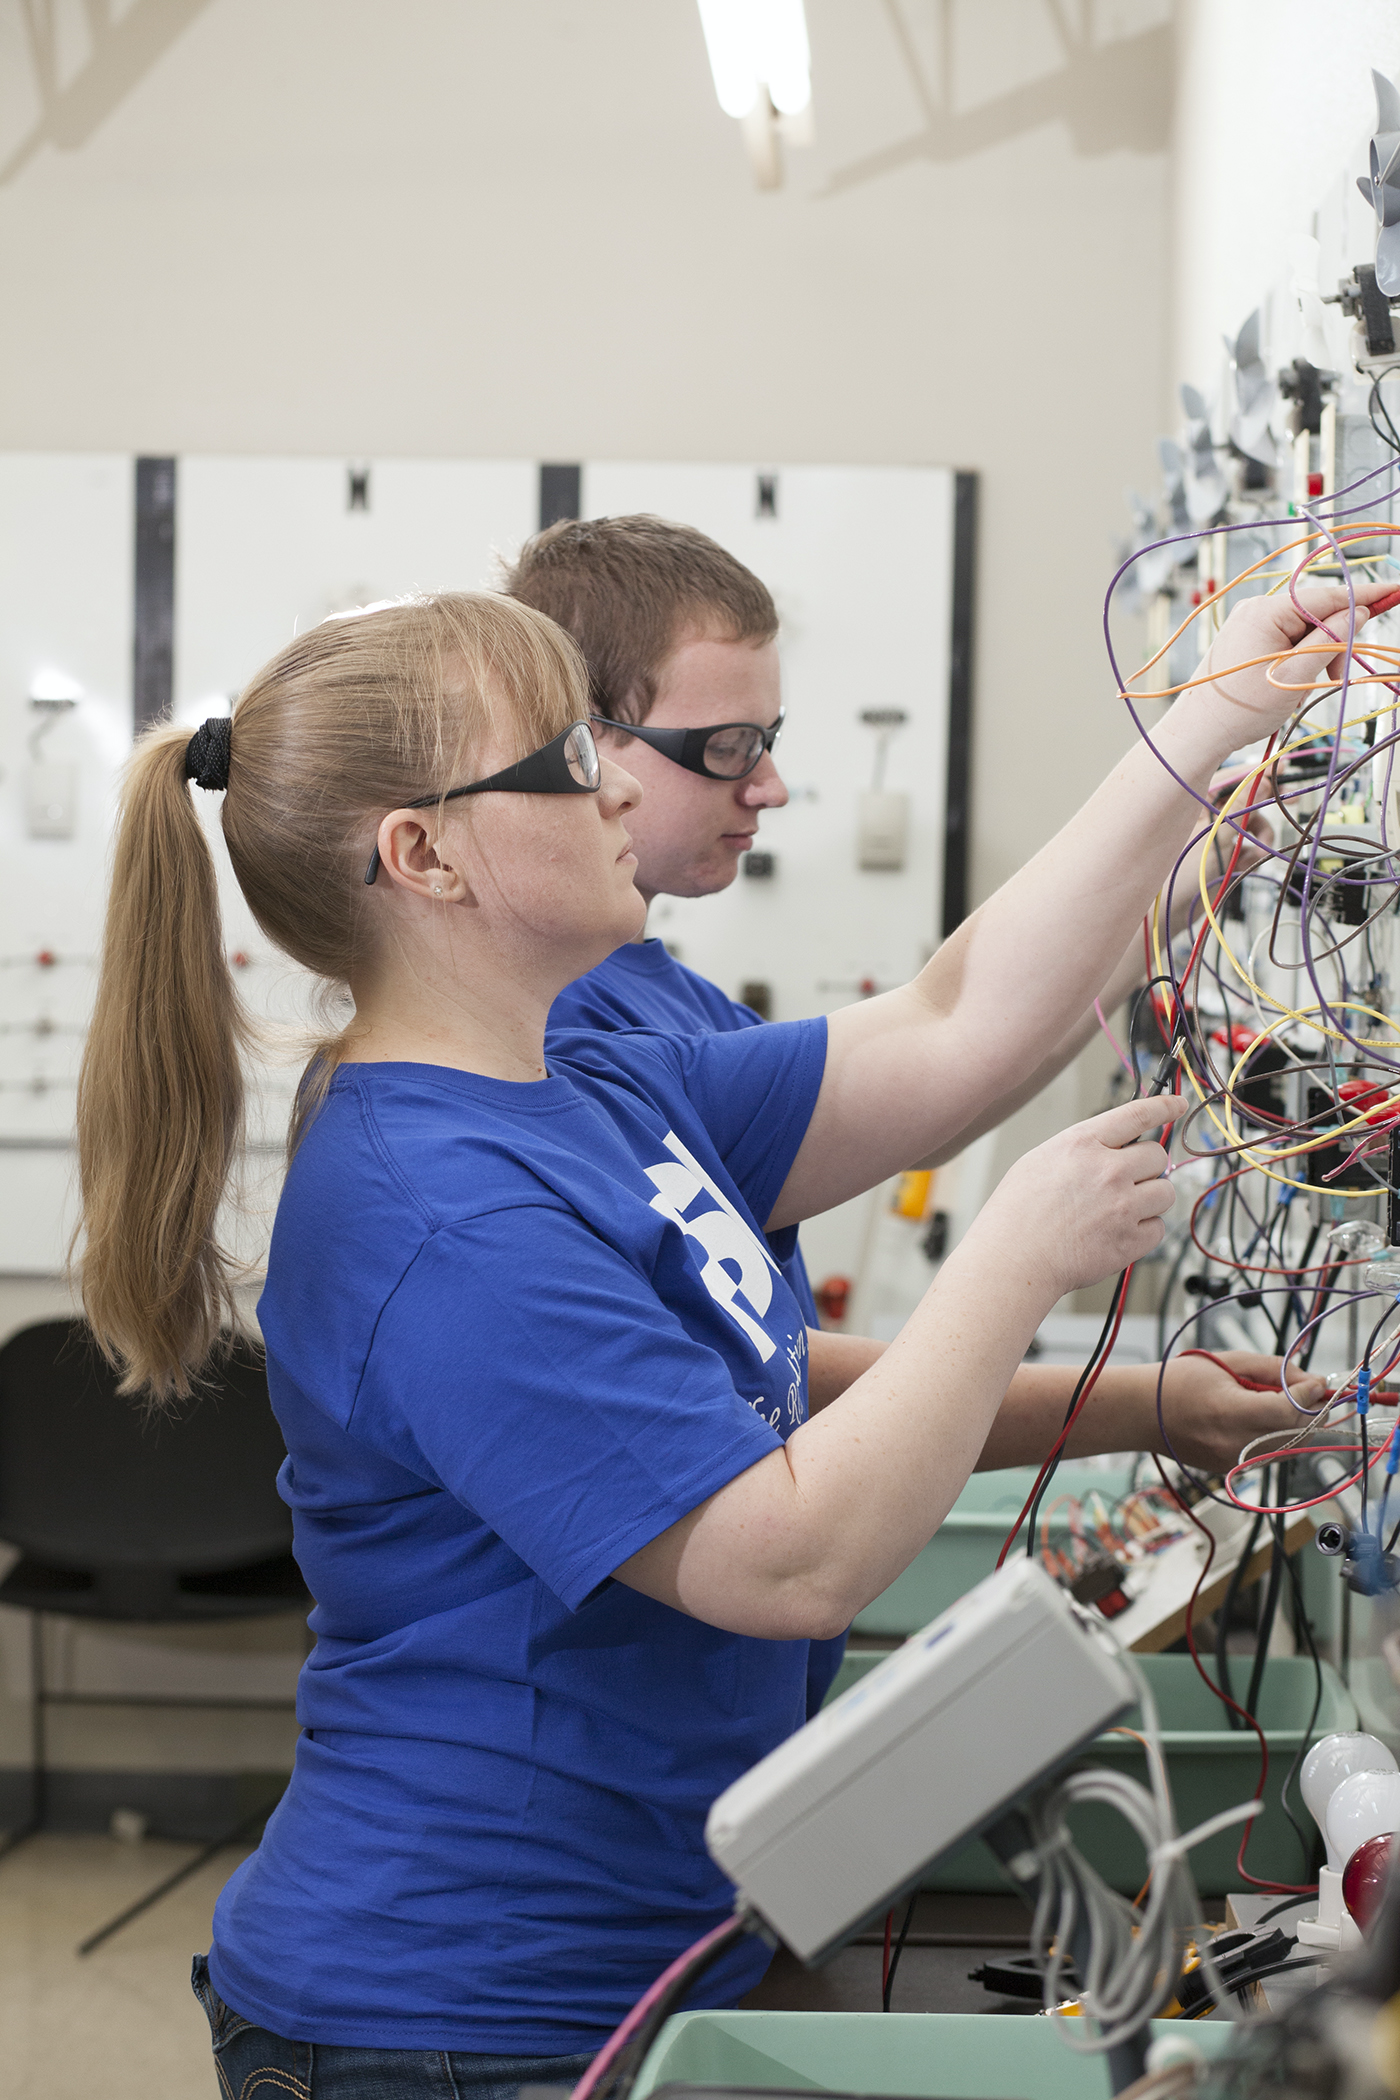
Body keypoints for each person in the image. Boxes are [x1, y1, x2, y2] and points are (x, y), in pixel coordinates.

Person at [73, 578, 1369, 2092]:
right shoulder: (433, 1210)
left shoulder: (592, 1080)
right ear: (423, 856)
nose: (621, 776)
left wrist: (1213, 711)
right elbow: (782, 1556)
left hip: (642, 1942)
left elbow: (960, 1021)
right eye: (563, 759)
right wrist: (1013, 1256)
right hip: (456, 2009)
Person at [505, 516, 1273, 1713]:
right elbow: (955, 1029)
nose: (767, 784)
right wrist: (1207, 717)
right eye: (723, 746)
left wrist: (1164, 899)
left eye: (769, 740)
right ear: (574, 748)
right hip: (546, 1838)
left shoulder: (665, 1008)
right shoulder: (552, 1059)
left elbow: (957, 1063)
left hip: (687, 1786)